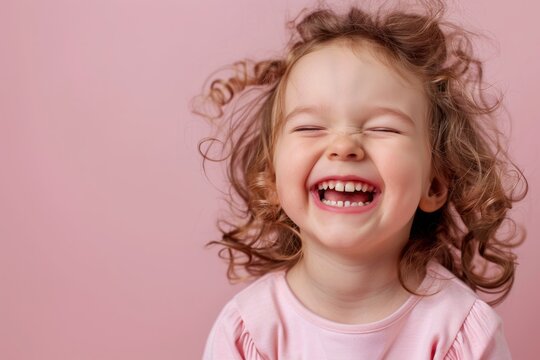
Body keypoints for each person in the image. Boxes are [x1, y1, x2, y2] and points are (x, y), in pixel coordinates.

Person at [195, 1, 527, 359]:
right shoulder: (249, 331)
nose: (344, 146)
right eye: (310, 127)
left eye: (383, 127)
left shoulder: (460, 333)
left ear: (434, 184)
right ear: (271, 180)